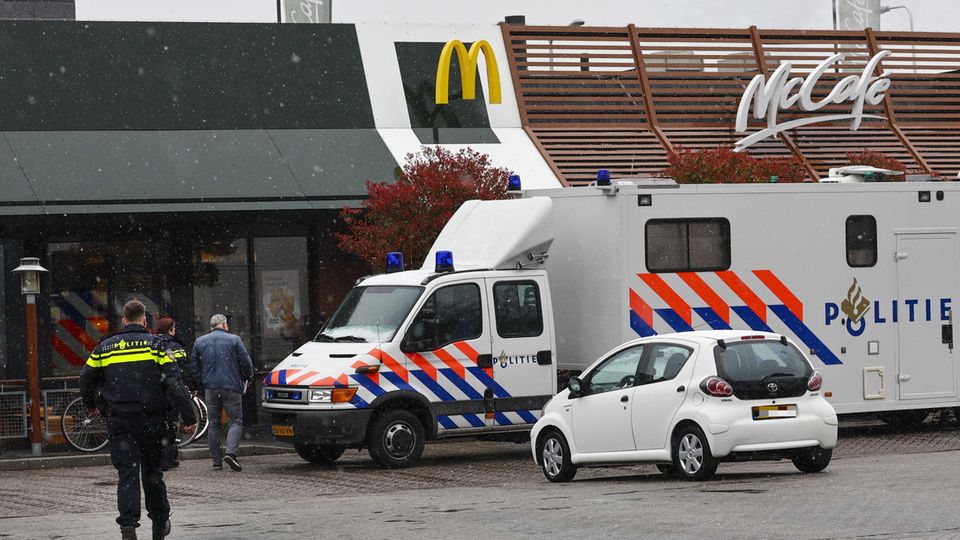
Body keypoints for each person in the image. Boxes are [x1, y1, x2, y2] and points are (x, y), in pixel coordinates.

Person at [79, 300, 196, 540]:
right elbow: (175, 383)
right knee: (153, 474)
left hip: (120, 422)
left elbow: (86, 377)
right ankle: (160, 523)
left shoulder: (106, 348)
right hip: (153, 421)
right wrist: (188, 416)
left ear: (123, 320)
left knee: (127, 476)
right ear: (145, 320)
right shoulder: (157, 346)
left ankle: (128, 528)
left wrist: (91, 405)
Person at [189, 313, 253, 472]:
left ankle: (216, 461)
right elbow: (246, 363)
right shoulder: (234, 340)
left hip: (211, 388)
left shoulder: (200, 341)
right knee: (235, 421)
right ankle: (231, 453)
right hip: (231, 386)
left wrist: (202, 381)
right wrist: (247, 377)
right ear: (224, 325)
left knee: (214, 424)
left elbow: (194, 367)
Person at [154, 316, 199, 471]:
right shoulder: (175, 346)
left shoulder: (153, 343)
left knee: (160, 425)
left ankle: (161, 458)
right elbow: (183, 370)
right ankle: (168, 459)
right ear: (171, 330)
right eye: (174, 328)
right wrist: (191, 386)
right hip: (171, 390)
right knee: (170, 424)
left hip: (155, 391)